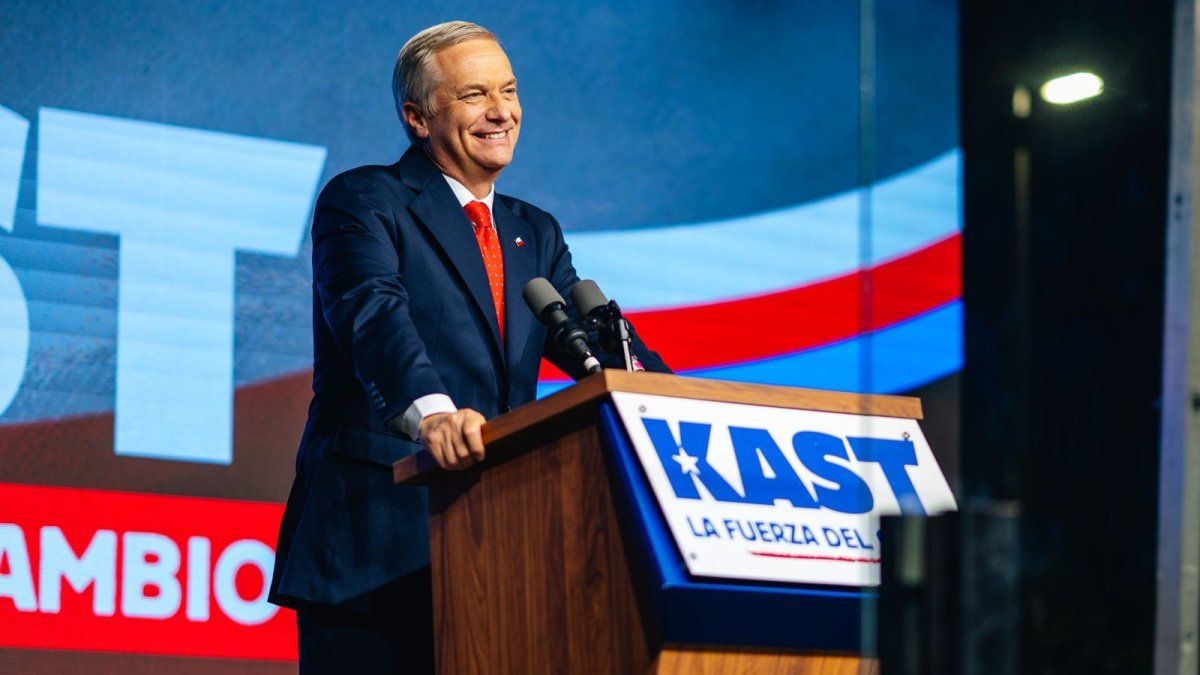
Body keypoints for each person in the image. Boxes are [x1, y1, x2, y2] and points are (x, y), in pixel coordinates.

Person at [268, 21, 670, 674]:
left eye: (508, 91)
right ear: (417, 117)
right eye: (475, 94)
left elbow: (592, 345)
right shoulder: (365, 200)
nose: (501, 111)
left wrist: (672, 404)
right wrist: (433, 415)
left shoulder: (533, 231)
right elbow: (372, 315)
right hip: (377, 548)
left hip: (500, 553)